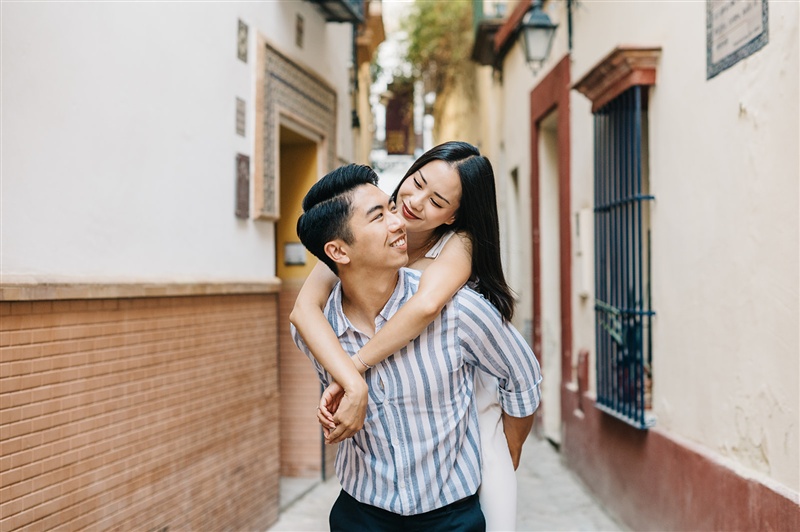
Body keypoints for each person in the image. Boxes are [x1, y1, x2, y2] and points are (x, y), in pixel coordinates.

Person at [291, 163, 542, 530]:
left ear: (452, 214)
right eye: (381, 214)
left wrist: (507, 453)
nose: (400, 220)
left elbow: (523, 379)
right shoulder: (320, 331)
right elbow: (302, 312)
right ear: (338, 252)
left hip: (450, 517)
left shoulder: (458, 308)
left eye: (391, 210)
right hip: (360, 515)